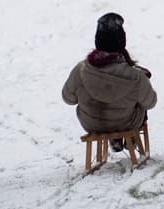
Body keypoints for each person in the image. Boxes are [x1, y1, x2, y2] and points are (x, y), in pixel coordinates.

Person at [62, 12, 157, 151]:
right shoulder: (135, 76)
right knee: (140, 103)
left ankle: (115, 141)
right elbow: (151, 103)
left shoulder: (80, 70)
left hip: (91, 124)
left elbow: (68, 99)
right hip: (126, 123)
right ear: (121, 41)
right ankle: (131, 139)